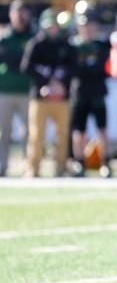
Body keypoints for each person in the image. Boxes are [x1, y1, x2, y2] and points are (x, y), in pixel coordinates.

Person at [21, 10, 75, 177]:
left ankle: (60, 167)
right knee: (37, 135)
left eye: (54, 26)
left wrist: (60, 84)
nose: (52, 29)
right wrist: (44, 83)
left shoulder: (65, 45)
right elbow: (27, 67)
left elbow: (73, 68)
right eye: (49, 26)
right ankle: (33, 168)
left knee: (62, 134)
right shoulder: (36, 44)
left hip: (61, 97)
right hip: (40, 97)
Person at [69, 7, 112, 178]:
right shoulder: (74, 46)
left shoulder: (101, 45)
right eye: (84, 25)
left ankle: (106, 162)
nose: (87, 29)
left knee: (102, 129)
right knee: (79, 131)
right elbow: (74, 70)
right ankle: (79, 162)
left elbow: (102, 69)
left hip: (97, 93)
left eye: (90, 25)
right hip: (80, 92)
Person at [0, 0, 33, 176]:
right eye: (16, 12)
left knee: (28, 132)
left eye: (23, 12)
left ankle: (27, 166)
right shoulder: (4, 36)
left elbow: (29, 61)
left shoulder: (32, 37)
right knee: (3, 132)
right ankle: (2, 166)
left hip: (26, 89)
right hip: (5, 89)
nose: (20, 16)